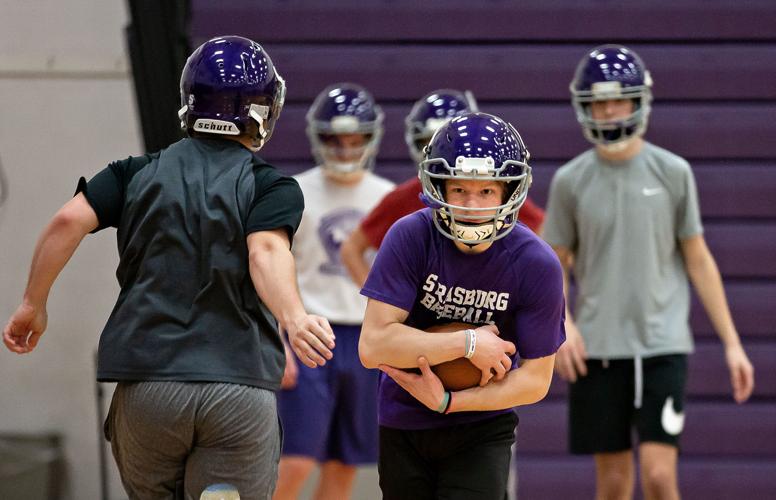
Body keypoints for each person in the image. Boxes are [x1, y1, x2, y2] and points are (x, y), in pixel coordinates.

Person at [2, 35, 335, 500]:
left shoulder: (133, 173)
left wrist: (32, 304)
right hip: (235, 388)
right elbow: (265, 252)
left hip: (147, 388)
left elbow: (66, 221)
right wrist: (294, 317)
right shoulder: (270, 186)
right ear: (262, 111)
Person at [543, 44, 755, 500]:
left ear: (639, 101)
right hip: (598, 351)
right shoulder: (569, 181)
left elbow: (699, 259)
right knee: (614, 483)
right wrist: (563, 323)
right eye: (599, 101)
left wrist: (733, 345)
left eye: (618, 99)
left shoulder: (673, 172)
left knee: (660, 477)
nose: (609, 110)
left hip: (662, 348)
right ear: (584, 106)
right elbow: (552, 264)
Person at [358, 112, 566, 500]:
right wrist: (468, 343)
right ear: (438, 187)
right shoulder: (408, 236)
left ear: (508, 192)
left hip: (483, 424)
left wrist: (451, 402)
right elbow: (372, 347)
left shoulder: (536, 262)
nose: (471, 205)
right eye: (459, 190)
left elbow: (537, 380)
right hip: (403, 416)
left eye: (486, 191)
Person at [273, 83, 395, 500]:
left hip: (366, 338)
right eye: (335, 140)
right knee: (296, 458)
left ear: (371, 137)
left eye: (355, 139)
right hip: (308, 333)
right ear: (318, 138)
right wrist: (276, 338)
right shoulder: (293, 192)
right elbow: (269, 268)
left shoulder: (388, 197)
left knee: (345, 462)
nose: (345, 148)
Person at [340, 90, 546, 288]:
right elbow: (352, 249)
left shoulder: (500, 192)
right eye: (427, 143)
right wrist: (382, 294)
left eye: (485, 192)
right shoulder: (400, 199)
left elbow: (545, 235)